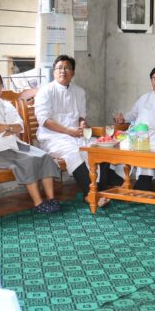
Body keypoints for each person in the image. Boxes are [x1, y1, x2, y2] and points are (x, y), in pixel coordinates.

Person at [0, 71, 61, 213]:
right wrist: (10, 128)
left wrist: (7, 127)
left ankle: (51, 199)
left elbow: (20, 126)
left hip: (16, 146)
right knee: (28, 160)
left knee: (44, 156)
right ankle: (38, 203)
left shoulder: (7, 104)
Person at [35, 55, 114, 205]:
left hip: (77, 135)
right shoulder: (45, 91)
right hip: (53, 137)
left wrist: (83, 124)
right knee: (73, 153)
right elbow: (44, 121)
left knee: (101, 148)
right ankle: (91, 194)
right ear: (54, 72)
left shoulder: (79, 91)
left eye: (67, 68)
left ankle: (99, 191)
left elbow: (81, 117)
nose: (63, 71)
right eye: (59, 68)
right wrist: (69, 131)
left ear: (73, 72)